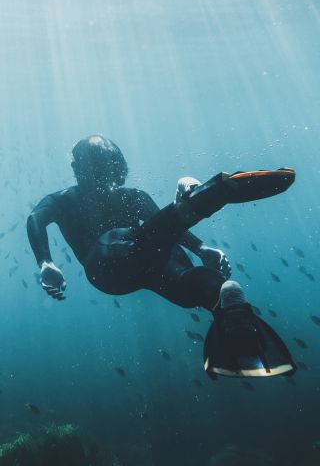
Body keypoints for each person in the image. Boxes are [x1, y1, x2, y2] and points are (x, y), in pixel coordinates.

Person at [27, 135, 296, 379]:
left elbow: (35, 218)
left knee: (185, 288)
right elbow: (168, 231)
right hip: (135, 255)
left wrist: (45, 261)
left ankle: (223, 303)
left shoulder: (62, 200)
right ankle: (191, 208)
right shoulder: (131, 197)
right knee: (164, 257)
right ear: (117, 165)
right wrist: (201, 248)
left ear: (78, 168)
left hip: (110, 272)